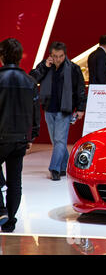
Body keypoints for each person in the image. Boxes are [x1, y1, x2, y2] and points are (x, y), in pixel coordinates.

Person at [30, 41, 87, 181]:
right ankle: (65, 167)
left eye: (60, 56)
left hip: (65, 109)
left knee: (60, 140)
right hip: (49, 109)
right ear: (50, 55)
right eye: (55, 56)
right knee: (57, 142)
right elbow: (32, 79)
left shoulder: (73, 69)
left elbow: (80, 89)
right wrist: (44, 67)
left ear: (65, 55)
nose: (57, 59)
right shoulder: (45, 66)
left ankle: (54, 169)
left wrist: (80, 108)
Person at [0, 38, 40, 232]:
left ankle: (1, 211)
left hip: (0, 137)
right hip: (20, 139)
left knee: (11, 180)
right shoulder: (30, 82)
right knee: (15, 181)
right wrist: (32, 136)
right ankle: (10, 220)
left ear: (2, 56)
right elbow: (35, 111)